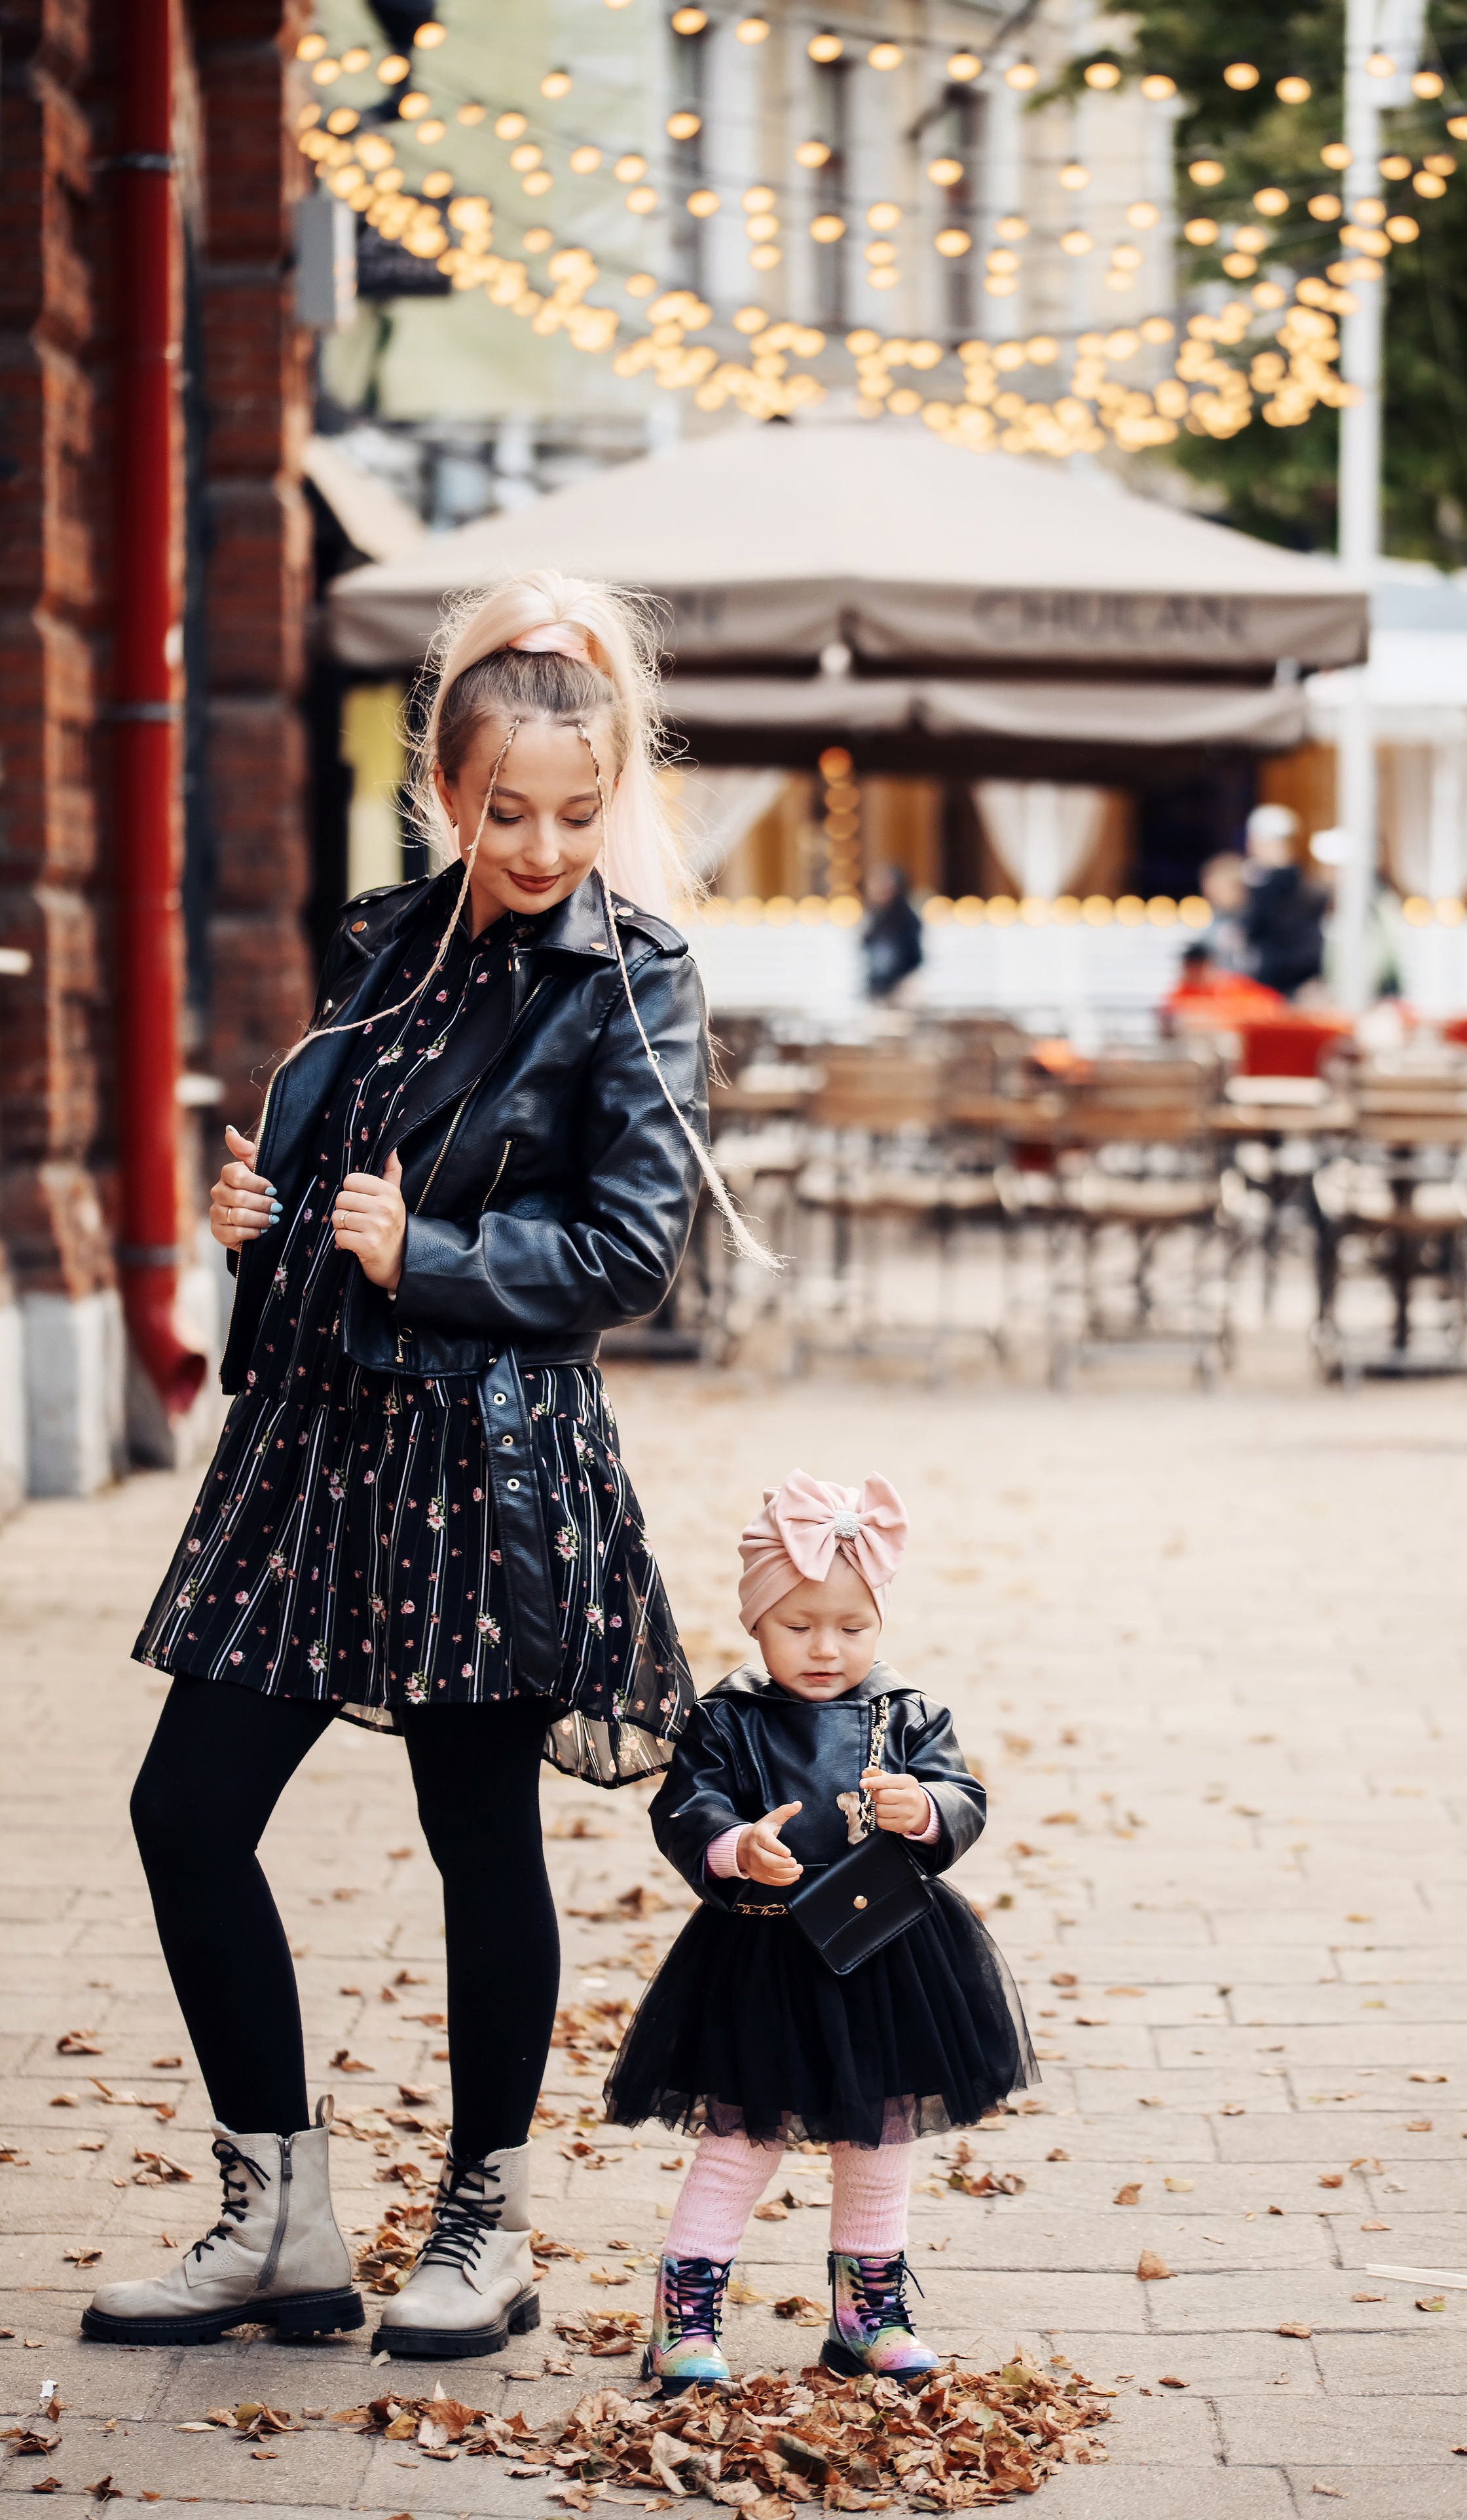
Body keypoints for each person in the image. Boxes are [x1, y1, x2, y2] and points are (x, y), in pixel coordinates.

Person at [84, 569, 767, 2361]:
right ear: (443, 790)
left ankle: (488, 2212)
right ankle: (279, 2207)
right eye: (501, 807)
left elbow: (629, 1253)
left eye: (572, 809)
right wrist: (266, 1218)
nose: (538, 843)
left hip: (487, 1463)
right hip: (312, 1449)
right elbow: (342, 1171)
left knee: (480, 1840)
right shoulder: (383, 944)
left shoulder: (638, 978)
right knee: (184, 1810)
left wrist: (431, 1259)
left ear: (610, 793)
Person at [602, 1471, 1037, 2393]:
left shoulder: (907, 1710)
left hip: (884, 1950)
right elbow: (689, 1805)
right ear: (758, 1621)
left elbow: (964, 1797)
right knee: (743, 2132)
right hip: (761, 1952)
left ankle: (866, 2309)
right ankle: (685, 2310)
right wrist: (734, 1845)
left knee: (879, 2130)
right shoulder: (728, 1716)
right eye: (799, 1624)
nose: (827, 1646)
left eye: (853, 1624)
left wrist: (924, 1807)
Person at [1242, 802, 1328, 998]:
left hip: (1286, 988)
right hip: (1284, 984)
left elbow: (1255, 929)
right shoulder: (1295, 882)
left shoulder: (1276, 885)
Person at [861, 863, 923, 1000]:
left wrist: (902, 985)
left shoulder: (907, 919)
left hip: (899, 990)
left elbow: (915, 957)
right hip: (877, 987)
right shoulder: (875, 917)